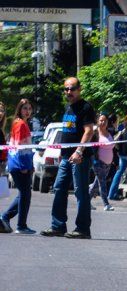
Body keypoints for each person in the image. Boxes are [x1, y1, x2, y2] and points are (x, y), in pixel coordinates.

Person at [40, 77, 96, 239]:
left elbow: (89, 131)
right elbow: (67, 132)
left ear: (79, 89)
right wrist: (61, 152)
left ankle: (83, 229)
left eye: (72, 89)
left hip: (80, 157)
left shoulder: (85, 107)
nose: (69, 92)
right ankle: (57, 226)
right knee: (59, 188)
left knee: (81, 192)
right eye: (66, 89)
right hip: (65, 156)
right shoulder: (68, 108)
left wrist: (79, 151)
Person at [1, 99, 36, 234]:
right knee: (25, 194)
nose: (27, 111)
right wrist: (23, 166)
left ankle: (6, 217)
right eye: (24, 108)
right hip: (20, 164)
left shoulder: (21, 123)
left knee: (24, 194)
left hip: (22, 163)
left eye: (29, 108)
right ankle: (21, 225)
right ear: (19, 109)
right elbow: (19, 147)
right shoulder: (20, 124)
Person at [89, 113, 115, 211]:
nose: (103, 122)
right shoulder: (95, 133)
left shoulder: (110, 132)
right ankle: (106, 204)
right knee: (102, 182)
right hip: (98, 162)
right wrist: (94, 160)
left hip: (108, 163)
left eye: (105, 120)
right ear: (97, 121)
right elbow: (91, 148)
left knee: (97, 184)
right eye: (101, 120)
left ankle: (86, 200)